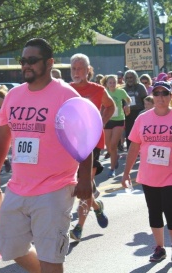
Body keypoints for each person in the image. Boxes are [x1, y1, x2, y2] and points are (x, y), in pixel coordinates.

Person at [0, 38, 92, 273]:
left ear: (49, 63)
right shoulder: (14, 95)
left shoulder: (66, 95)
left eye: (32, 61)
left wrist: (85, 178)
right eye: (23, 61)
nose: (26, 65)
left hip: (55, 188)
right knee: (11, 248)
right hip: (18, 187)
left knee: (51, 257)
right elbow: (3, 136)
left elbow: (85, 137)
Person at [122, 81, 172, 262]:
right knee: (154, 212)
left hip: (170, 176)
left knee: (170, 212)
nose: (160, 97)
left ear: (170, 97)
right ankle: (160, 248)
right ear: (153, 96)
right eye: (157, 93)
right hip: (149, 176)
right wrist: (126, 172)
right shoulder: (142, 119)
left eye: (164, 94)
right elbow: (134, 147)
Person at [68, 53, 115, 242]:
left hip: (92, 143)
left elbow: (110, 106)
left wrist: (99, 123)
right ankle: (97, 207)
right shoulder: (66, 89)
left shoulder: (97, 89)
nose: (76, 72)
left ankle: (78, 227)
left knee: (85, 186)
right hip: (70, 143)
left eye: (80, 68)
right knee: (82, 184)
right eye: (73, 68)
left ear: (88, 70)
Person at [102, 75, 131, 178]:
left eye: (114, 82)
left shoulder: (121, 92)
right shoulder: (104, 92)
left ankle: (112, 168)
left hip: (119, 119)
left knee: (114, 145)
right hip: (108, 119)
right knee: (108, 147)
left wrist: (127, 105)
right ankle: (115, 156)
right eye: (110, 83)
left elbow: (128, 99)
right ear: (106, 84)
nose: (112, 84)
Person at [123, 70, 147, 150]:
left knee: (140, 131)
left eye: (131, 77)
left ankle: (141, 149)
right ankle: (130, 149)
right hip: (128, 113)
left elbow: (145, 100)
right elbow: (122, 102)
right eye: (128, 78)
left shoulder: (140, 87)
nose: (129, 79)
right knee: (129, 131)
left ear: (135, 78)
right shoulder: (124, 89)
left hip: (139, 111)